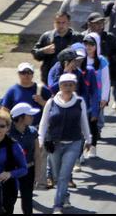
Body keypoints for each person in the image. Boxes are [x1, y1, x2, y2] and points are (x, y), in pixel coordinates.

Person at [38, 73, 91, 214]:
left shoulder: (80, 102)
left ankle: (57, 205)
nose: (67, 87)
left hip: (73, 143)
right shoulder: (51, 102)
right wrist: (41, 140)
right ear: (60, 86)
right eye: (64, 84)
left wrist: (89, 139)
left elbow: (84, 121)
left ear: (75, 86)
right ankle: (65, 195)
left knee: (64, 175)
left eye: (71, 84)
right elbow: (43, 123)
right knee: (56, 176)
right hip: (54, 144)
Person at [31, 12, 81, 84]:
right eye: (58, 22)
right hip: (50, 77)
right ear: (54, 23)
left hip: (72, 78)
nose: (61, 25)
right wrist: (43, 51)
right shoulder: (46, 36)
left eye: (63, 22)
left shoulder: (77, 37)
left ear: (69, 23)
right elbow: (35, 53)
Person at [9, 103, 39, 216]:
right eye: (29, 115)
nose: (32, 117)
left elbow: (37, 154)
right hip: (11, 172)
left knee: (27, 200)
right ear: (21, 117)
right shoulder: (6, 132)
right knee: (9, 201)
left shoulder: (32, 132)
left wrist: (38, 174)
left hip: (28, 170)